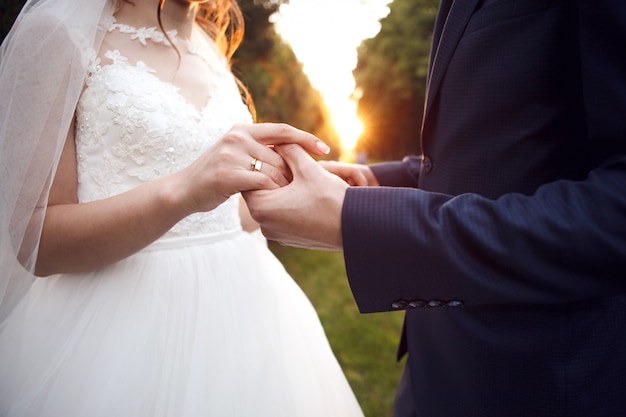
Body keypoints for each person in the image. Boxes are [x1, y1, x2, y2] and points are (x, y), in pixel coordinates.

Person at [244, 0, 626, 416]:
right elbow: (489, 154)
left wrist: (354, 222)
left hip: (534, 384)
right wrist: (372, 182)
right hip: (436, 373)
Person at [0, 0, 365, 416]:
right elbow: (35, 238)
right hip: (116, 328)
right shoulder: (56, 34)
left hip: (248, 312)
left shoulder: (208, 43)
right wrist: (183, 190)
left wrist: (295, 184)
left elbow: (226, 215)